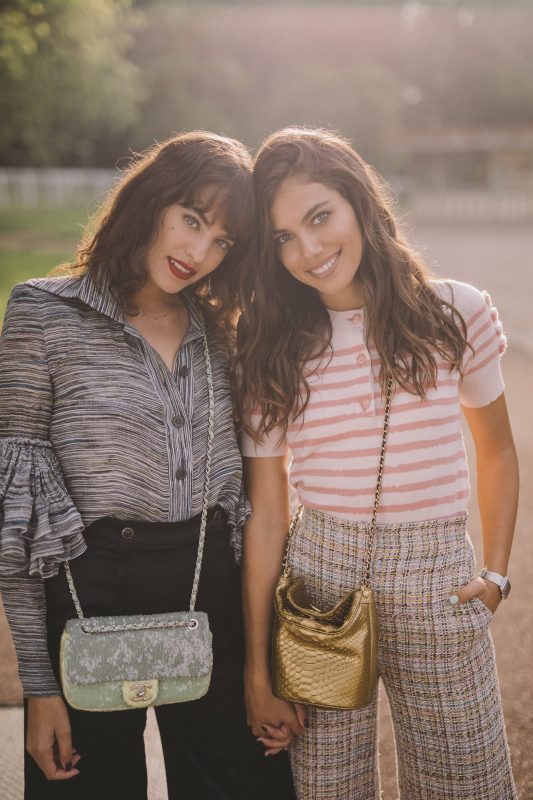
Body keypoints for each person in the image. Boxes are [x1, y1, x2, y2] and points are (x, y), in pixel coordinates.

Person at [0, 131, 295, 800]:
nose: (199, 251)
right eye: (191, 219)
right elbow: (18, 518)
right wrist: (39, 688)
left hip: (212, 589)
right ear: (151, 200)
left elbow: (255, 499)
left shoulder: (224, 333)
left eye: (222, 240)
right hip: (88, 597)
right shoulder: (42, 313)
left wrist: (260, 667)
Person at [236, 127, 518, 799]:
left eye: (319, 218)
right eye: (283, 237)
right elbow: (268, 514)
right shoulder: (269, 344)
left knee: (466, 786)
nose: (308, 250)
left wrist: (495, 575)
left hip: (437, 576)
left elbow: (497, 448)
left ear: (359, 203)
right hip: (318, 582)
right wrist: (257, 669)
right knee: (327, 790)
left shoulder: (455, 311)